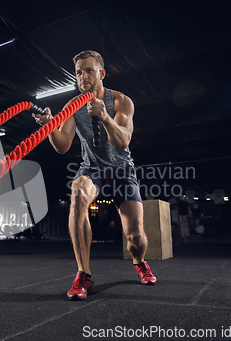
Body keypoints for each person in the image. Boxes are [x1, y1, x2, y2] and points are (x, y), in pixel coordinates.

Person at [32, 50, 156, 300]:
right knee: (77, 193)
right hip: (92, 169)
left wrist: (104, 116)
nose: (83, 76)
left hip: (122, 170)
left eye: (89, 70)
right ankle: (83, 274)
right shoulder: (72, 107)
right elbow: (62, 145)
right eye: (79, 72)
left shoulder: (121, 101)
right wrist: (48, 126)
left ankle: (140, 262)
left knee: (135, 238)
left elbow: (123, 141)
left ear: (102, 73)